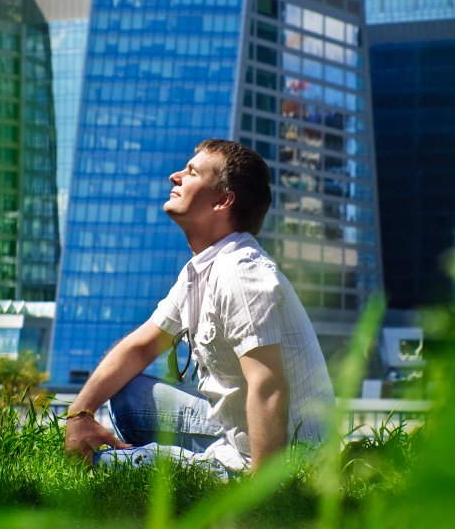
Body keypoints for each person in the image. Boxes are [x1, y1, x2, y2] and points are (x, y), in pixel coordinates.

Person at [63, 139, 334, 475]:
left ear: (222, 200)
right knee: (128, 395)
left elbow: (268, 385)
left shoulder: (240, 271)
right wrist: (80, 414)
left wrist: (262, 494)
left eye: (191, 172)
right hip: (235, 432)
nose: (174, 176)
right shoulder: (202, 270)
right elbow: (139, 347)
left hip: (285, 458)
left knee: (103, 468)